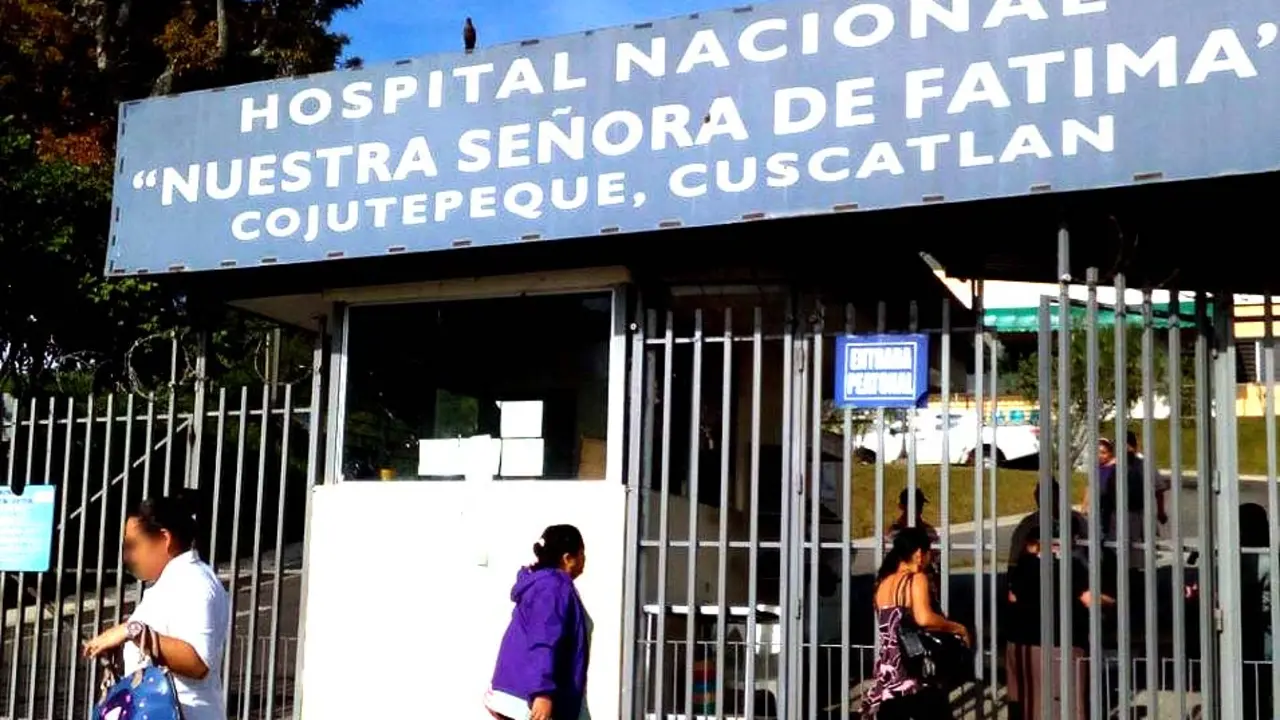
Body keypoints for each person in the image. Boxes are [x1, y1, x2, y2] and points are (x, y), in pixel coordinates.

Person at [82, 494, 230, 720]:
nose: (127, 556)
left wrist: (130, 631)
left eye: (133, 545)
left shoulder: (193, 582)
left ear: (164, 538)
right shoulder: (172, 582)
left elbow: (198, 662)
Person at [1004, 525, 1114, 720]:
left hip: (1020, 645)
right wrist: (1112, 602)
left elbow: (1012, 598)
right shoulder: (1069, 567)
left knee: (1027, 701)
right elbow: (1088, 599)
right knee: (1065, 703)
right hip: (1060, 643)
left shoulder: (1022, 566)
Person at [861, 526, 969, 719]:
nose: (929, 558)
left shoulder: (882, 583)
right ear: (919, 554)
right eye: (929, 552)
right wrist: (957, 628)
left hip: (888, 674)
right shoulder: (916, 579)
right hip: (913, 672)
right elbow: (924, 618)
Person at [487, 525, 593, 720]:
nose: (584, 559)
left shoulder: (544, 584)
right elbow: (544, 640)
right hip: (531, 697)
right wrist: (542, 694)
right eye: (581, 553)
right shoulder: (553, 587)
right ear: (567, 558)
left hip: (521, 691)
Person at [1239, 503, 1273, 720]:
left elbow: (1243, 594)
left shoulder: (1254, 559)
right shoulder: (1268, 552)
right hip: (1266, 627)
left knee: (1253, 684)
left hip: (1255, 630)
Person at [1007, 479, 1087, 569]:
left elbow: (1090, 544)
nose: (1046, 501)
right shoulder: (1028, 524)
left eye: (1051, 496)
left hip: (1074, 568)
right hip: (1039, 570)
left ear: (1059, 496)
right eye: (1041, 496)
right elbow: (1014, 557)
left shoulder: (1076, 519)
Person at [886, 488, 941, 607]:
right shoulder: (894, 532)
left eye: (919, 505)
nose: (917, 508)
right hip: (900, 590)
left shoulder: (929, 530)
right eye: (915, 505)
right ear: (902, 506)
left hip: (925, 590)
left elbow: (938, 563)